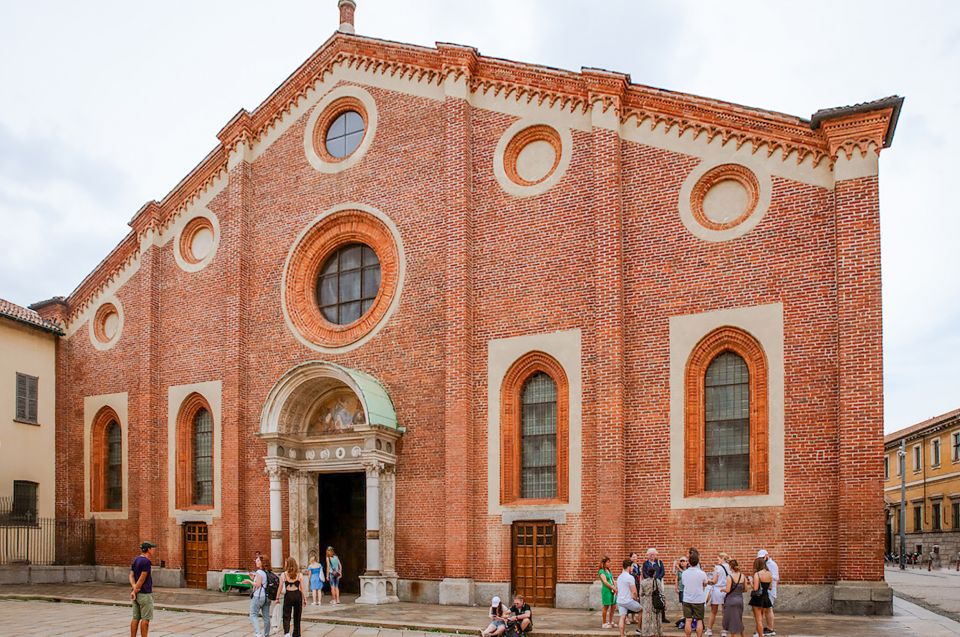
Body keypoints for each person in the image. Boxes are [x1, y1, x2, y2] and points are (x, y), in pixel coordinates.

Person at [129, 541, 156, 637]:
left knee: (135, 618)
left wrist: (134, 588)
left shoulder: (136, 560)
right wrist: (135, 589)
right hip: (144, 594)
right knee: (145, 619)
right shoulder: (146, 562)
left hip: (136, 594)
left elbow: (131, 575)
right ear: (148, 549)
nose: (154, 550)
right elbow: (142, 578)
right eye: (152, 548)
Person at [681, 551, 709, 637]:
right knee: (699, 620)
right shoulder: (702, 573)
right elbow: (705, 583)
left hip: (687, 599)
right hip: (699, 600)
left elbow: (684, 583)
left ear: (689, 562)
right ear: (698, 562)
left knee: (688, 620)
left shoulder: (684, 573)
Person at [241, 554, 271, 637]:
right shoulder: (267, 571)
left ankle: (258, 633)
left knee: (253, 614)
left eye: (258, 560)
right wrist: (252, 578)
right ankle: (266, 634)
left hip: (258, 596)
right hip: (266, 596)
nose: (256, 562)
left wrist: (249, 581)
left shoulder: (259, 572)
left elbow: (257, 585)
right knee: (266, 616)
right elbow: (262, 583)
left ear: (262, 562)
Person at [276, 556, 306, 637]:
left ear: (288, 564)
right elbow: (302, 588)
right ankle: (296, 633)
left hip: (288, 595)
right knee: (297, 616)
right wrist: (305, 599)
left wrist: (277, 598)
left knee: (286, 615)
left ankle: (287, 633)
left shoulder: (284, 574)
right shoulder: (299, 574)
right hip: (297, 595)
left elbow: (280, 587)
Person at [706, 552, 730, 637]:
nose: (717, 560)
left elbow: (714, 581)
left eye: (718, 559)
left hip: (717, 590)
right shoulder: (730, 567)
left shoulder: (717, 568)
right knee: (724, 612)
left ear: (722, 558)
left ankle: (709, 630)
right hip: (726, 590)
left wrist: (707, 580)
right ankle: (724, 631)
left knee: (713, 612)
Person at [748, 557, 773, 637]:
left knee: (758, 620)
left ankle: (760, 635)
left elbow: (755, 588)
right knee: (761, 617)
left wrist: (751, 582)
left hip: (758, 598)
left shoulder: (757, 574)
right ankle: (759, 634)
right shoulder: (769, 573)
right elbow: (770, 587)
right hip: (766, 597)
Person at [617, 559, 642, 637]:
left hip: (620, 601)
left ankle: (622, 635)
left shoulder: (619, 577)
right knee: (641, 610)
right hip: (628, 601)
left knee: (622, 617)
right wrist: (636, 599)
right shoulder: (630, 577)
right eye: (631, 566)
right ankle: (639, 629)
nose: (632, 568)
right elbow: (634, 592)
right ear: (628, 567)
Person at [721, 559, 746, 637]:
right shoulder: (743, 576)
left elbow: (728, 590)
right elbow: (745, 589)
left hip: (731, 601)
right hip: (740, 600)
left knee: (732, 622)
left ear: (730, 567)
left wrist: (722, 589)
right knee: (739, 619)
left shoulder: (730, 577)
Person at [642, 549, 667, 623]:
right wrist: (650, 579)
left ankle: (663, 617)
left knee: (660, 598)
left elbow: (662, 572)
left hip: (658, 583)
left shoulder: (659, 562)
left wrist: (657, 579)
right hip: (649, 584)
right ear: (648, 555)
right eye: (650, 554)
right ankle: (650, 616)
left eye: (653, 554)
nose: (652, 556)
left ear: (655, 555)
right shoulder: (645, 563)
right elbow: (644, 572)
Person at [757, 550, 778, 636]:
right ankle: (769, 627)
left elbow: (776, 577)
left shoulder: (772, 564)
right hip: (765, 590)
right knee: (766, 610)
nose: (762, 559)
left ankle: (770, 629)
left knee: (769, 609)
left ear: (766, 555)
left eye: (763, 557)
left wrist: (764, 576)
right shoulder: (764, 564)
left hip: (770, 590)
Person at [638, 567, 663, 637]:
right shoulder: (657, 581)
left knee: (647, 618)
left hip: (647, 601)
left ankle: (647, 633)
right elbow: (661, 592)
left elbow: (641, 593)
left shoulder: (643, 582)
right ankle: (656, 633)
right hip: (656, 601)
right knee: (656, 617)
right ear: (654, 573)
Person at [599, 556, 618, 629]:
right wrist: (613, 587)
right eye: (608, 562)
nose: (609, 563)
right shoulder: (601, 571)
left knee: (613, 606)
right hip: (607, 590)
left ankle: (610, 621)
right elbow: (605, 582)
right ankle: (604, 623)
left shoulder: (608, 570)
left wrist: (615, 586)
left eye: (610, 562)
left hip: (613, 590)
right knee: (606, 606)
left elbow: (612, 579)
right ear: (604, 563)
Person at [672, 555, 689, 631]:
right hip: (681, 589)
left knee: (687, 603)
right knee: (683, 603)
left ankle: (687, 616)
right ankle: (684, 615)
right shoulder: (678, 571)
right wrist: (676, 587)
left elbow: (686, 575)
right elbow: (676, 579)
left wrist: (679, 568)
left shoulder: (688, 570)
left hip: (688, 589)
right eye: (681, 561)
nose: (682, 562)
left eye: (684, 561)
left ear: (687, 562)